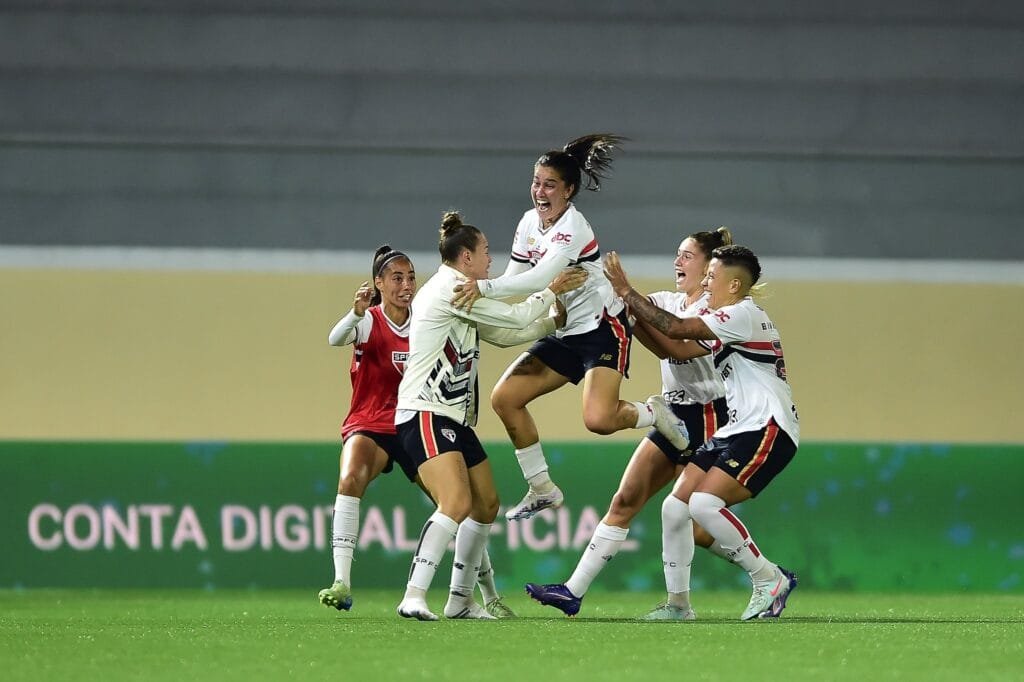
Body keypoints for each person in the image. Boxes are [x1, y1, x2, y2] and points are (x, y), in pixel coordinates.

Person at [451, 134, 688, 521]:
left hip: (601, 327)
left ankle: (653, 413)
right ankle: (542, 487)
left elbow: (537, 278)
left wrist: (481, 289)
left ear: (569, 190)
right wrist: (481, 302)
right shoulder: (529, 223)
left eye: (550, 185)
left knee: (599, 420)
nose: (539, 192)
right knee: (504, 398)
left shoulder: (573, 228)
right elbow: (517, 274)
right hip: (564, 330)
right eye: (536, 182)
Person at [525, 228, 736, 620]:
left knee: (692, 523)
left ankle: (750, 580)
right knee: (626, 502)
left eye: (687, 255)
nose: (678, 262)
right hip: (674, 413)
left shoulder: (717, 310)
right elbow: (626, 317)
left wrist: (626, 295)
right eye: (677, 254)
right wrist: (576, 284)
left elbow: (676, 346)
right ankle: (572, 592)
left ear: (711, 265)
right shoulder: (669, 301)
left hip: (712, 416)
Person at [395, 212, 586, 621]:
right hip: (426, 411)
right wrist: (550, 291)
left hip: (455, 419)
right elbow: (515, 318)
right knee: (457, 501)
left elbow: (503, 334)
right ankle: (413, 594)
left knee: (486, 505)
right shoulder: (449, 289)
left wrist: (553, 321)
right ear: (466, 257)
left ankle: (461, 601)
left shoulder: (462, 292)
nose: (490, 262)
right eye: (485, 253)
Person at [601, 244, 799, 621]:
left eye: (713, 276)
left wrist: (627, 292)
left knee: (704, 505)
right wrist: (631, 314)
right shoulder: (726, 317)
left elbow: (675, 327)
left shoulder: (740, 314)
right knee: (675, 508)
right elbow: (672, 347)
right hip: (738, 426)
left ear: (735, 284)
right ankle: (679, 606)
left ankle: (769, 578)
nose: (706, 282)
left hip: (767, 426)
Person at [316, 245, 515, 618]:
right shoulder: (370, 320)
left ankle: (486, 594)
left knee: (456, 506)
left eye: (410, 277)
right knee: (351, 478)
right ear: (379, 283)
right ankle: (342, 580)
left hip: (415, 422)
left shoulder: (426, 316)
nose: (406, 285)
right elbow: (335, 338)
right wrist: (354, 312)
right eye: (397, 278)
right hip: (372, 422)